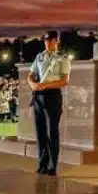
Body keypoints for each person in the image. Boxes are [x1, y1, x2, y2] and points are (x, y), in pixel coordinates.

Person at [27, 30, 71, 176]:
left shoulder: (62, 58)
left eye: (50, 40)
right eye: (45, 40)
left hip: (52, 95)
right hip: (38, 95)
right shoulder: (40, 56)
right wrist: (32, 84)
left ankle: (52, 166)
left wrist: (45, 85)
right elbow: (30, 75)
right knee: (40, 132)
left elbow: (65, 81)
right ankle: (42, 164)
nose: (47, 42)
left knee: (52, 131)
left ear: (56, 41)